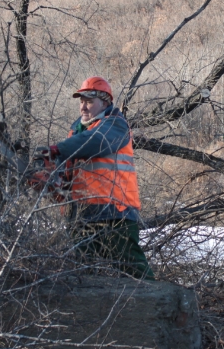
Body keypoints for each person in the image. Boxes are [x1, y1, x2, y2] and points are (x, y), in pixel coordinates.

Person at [33, 76, 155, 280]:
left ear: (105, 102)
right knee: (84, 276)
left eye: (89, 102)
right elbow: (67, 183)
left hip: (115, 213)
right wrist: (46, 182)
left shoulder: (115, 125)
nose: (83, 107)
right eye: (81, 101)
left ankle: (160, 307)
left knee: (134, 273)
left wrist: (57, 149)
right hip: (81, 216)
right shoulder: (76, 133)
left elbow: (96, 141)